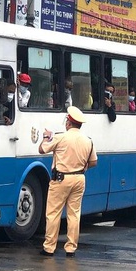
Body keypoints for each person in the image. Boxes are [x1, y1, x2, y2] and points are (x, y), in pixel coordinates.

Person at [39, 106, 98, 257]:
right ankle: (71, 247)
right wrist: (83, 168)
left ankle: (49, 247)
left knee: (53, 213)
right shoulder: (88, 141)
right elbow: (93, 162)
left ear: (68, 123)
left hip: (61, 179)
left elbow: (42, 150)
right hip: (79, 178)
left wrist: (46, 137)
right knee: (74, 214)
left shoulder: (60, 137)